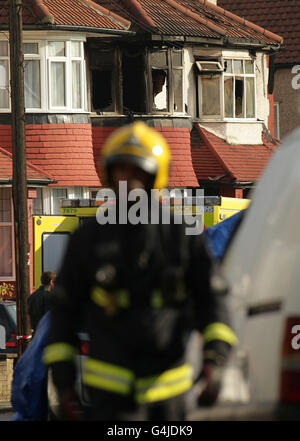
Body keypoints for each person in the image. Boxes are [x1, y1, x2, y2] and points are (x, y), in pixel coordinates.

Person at [42, 122, 237, 421]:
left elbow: (213, 301)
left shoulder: (182, 236)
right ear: (109, 175)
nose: (129, 182)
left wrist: (217, 357)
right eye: (121, 172)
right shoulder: (89, 239)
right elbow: (64, 311)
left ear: (155, 177)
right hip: (109, 399)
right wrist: (63, 377)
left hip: (169, 394)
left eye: (138, 173)